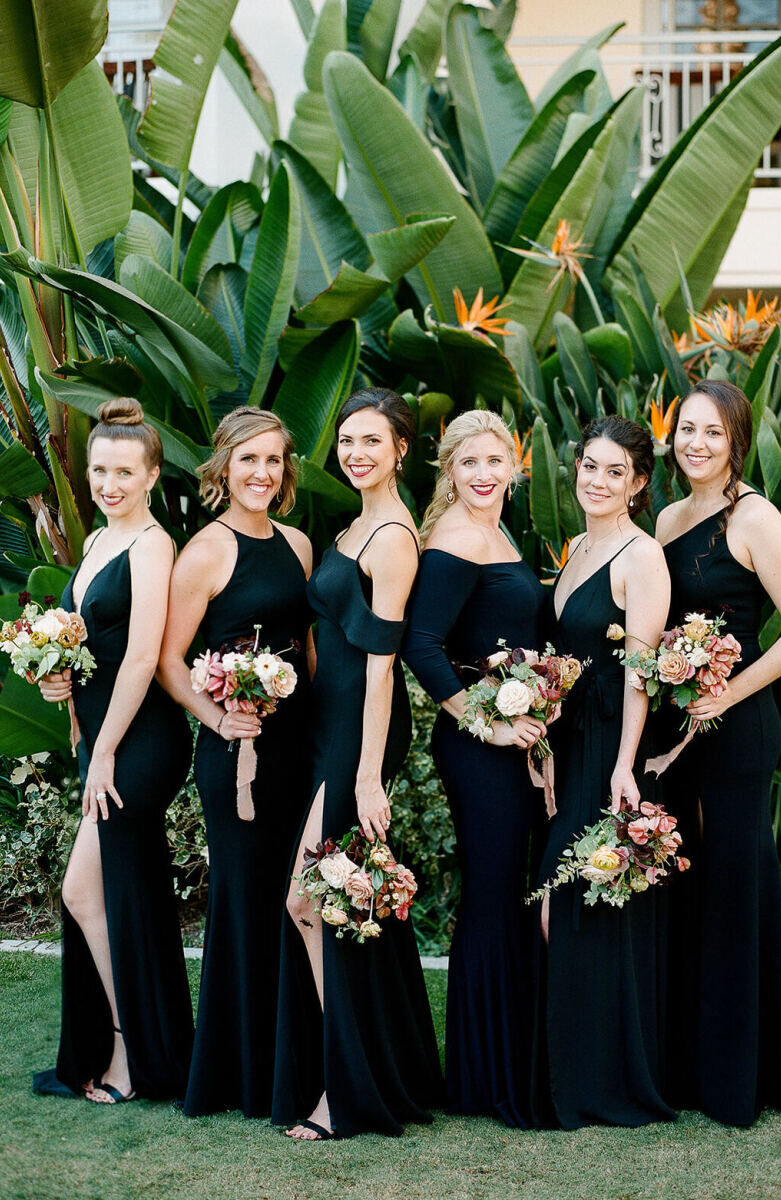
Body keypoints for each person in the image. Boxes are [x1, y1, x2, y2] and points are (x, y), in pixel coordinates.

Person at [656, 379, 781, 1124]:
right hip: (676, 729)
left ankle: (745, 1075)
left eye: (713, 432)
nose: (696, 443)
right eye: (686, 430)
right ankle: (689, 1063)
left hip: (736, 725)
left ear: (737, 440)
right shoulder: (671, 514)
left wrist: (727, 695)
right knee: (689, 886)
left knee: (736, 890)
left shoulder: (753, 516)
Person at [275, 387, 441, 1141]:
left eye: (372, 441)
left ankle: (348, 1092)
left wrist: (368, 772)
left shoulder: (395, 539)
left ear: (400, 449)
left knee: (313, 901)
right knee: (347, 904)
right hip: (325, 726)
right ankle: (388, 1069)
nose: (356, 453)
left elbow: (382, 665)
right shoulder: (353, 523)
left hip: (359, 734)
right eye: (347, 441)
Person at [34, 398, 193, 1105]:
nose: (110, 484)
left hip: (140, 743)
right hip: (99, 738)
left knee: (89, 890)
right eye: (100, 470)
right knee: (106, 892)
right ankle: (131, 1046)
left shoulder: (155, 546)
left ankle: (135, 1057)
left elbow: (139, 660)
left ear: (152, 474)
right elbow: (87, 646)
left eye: (125, 472)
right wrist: (54, 679)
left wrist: (104, 754)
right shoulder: (99, 541)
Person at [157, 407, 313, 1118]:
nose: (261, 473)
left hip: (297, 752)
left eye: (273, 460)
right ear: (223, 468)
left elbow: (304, 647)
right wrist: (218, 714)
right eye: (247, 460)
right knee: (245, 903)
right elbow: (169, 657)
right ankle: (242, 1075)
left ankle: (291, 1059)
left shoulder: (300, 544)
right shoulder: (206, 551)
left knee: (292, 900)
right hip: (235, 756)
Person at [403, 409, 547, 1128]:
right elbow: (421, 646)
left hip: (509, 746)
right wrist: (485, 720)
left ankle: (500, 1064)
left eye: (496, 462)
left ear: (515, 465)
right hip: (478, 752)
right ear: (449, 472)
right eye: (469, 464)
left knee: (504, 891)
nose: (484, 475)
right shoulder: (457, 538)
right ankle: (489, 1083)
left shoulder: (496, 530)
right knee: (493, 895)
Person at [532, 415, 675, 1130]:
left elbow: (640, 672)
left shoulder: (641, 556)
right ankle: (576, 1072)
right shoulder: (582, 545)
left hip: (608, 752)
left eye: (616, 471)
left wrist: (624, 766)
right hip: (568, 744)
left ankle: (600, 1080)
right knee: (565, 906)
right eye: (590, 465)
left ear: (639, 482)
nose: (597, 480)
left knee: (577, 903)